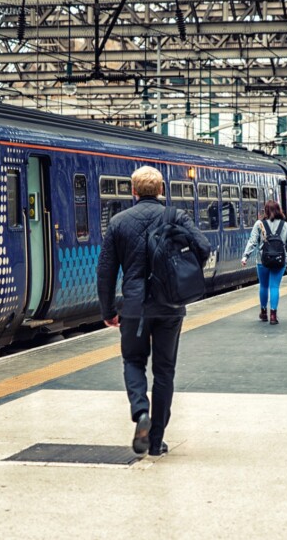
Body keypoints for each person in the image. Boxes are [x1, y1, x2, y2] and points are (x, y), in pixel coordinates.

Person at [96, 166, 211, 457]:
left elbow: (106, 271)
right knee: (164, 372)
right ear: (161, 190)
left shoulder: (119, 222)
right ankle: (156, 441)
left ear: (133, 191)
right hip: (171, 306)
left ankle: (140, 412)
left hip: (134, 308)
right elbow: (204, 247)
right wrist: (181, 268)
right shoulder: (176, 216)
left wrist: (108, 310)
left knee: (133, 361)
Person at [240, 200, 287, 324]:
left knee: (264, 286)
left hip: (262, 261)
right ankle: (273, 316)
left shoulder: (259, 224)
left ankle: (264, 312)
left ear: (265, 210)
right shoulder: (285, 225)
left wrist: (245, 256)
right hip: (280, 260)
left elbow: (252, 241)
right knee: (274, 286)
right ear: (278, 210)